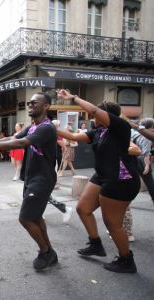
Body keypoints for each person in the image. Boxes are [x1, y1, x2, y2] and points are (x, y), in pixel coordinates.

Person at [57, 90, 140, 273]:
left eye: (97, 114)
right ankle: (96, 244)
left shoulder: (119, 127)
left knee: (112, 223)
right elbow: (73, 136)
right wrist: (48, 127)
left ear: (106, 115)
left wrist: (73, 98)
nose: (93, 116)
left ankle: (126, 260)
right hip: (102, 176)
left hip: (120, 179)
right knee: (83, 209)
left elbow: (94, 110)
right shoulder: (98, 132)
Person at [0, 92, 58, 270]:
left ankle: (45, 252)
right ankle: (49, 250)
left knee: (26, 218)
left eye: (35, 103)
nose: (30, 105)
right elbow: (13, 138)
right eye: (29, 103)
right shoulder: (32, 126)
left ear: (46, 106)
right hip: (32, 177)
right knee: (36, 216)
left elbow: (21, 144)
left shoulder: (46, 127)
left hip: (42, 179)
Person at [131, 118, 154, 205]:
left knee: (130, 181)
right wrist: (147, 165)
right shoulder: (147, 137)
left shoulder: (135, 133)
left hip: (131, 159)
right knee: (149, 182)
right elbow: (146, 153)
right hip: (141, 160)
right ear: (150, 127)